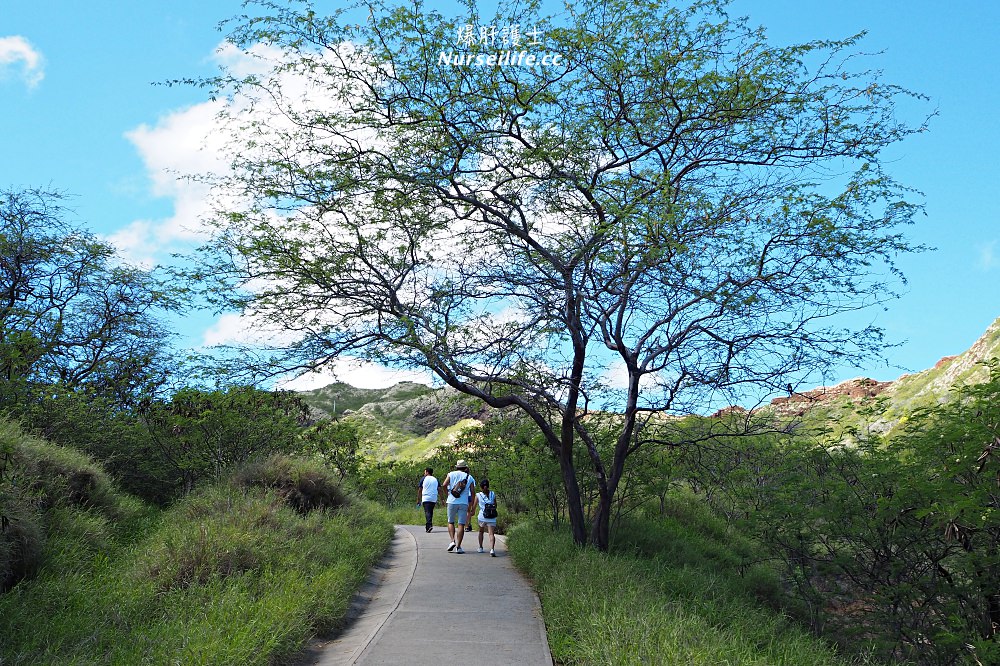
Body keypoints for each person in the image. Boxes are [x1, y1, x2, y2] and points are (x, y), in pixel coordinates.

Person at [441, 459, 476, 554]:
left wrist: (447, 494)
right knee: (461, 524)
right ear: (465, 467)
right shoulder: (470, 477)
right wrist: (472, 505)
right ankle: (459, 547)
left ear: (457, 467)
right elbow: (473, 492)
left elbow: (444, 485)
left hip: (452, 501)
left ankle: (452, 541)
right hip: (464, 502)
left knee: (450, 522)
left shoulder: (451, 474)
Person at [470, 478, 498, 557]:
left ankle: (480, 547)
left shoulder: (478, 495)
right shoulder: (493, 493)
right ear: (488, 486)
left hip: (482, 516)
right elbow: (495, 505)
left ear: (481, 487)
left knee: (481, 531)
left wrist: (472, 512)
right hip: (492, 516)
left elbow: (474, 507)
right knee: (491, 534)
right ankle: (492, 549)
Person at [417, 467, 438, 533]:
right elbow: (440, 489)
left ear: (427, 472)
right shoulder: (435, 479)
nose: (424, 473)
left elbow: (420, 490)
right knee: (430, 511)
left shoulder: (423, 479)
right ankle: (429, 525)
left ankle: (429, 526)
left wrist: (418, 499)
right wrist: (443, 499)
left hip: (426, 498)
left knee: (427, 512)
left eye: (425, 472)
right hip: (434, 498)